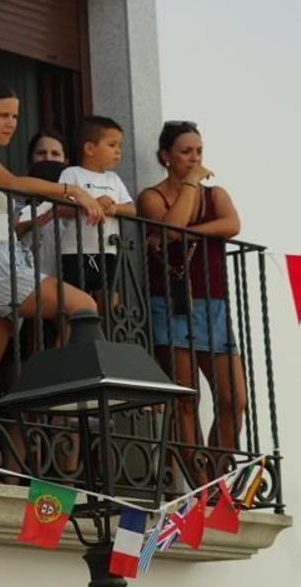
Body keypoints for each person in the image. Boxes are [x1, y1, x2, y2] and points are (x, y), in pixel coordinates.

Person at [0, 81, 102, 465]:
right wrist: (73, 191)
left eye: (16, 116)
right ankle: (50, 383)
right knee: (83, 306)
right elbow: (13, 184)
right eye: (3, 115)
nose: (11, 123)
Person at [136, 120, 245, 477]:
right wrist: (189, 185)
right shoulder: (152, 197)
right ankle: (200, 486)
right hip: (172, 303)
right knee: (187, 401)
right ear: (165, 156)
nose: (195, 158)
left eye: (199, 151)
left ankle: (216, 479)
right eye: (186, 152)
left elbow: (231, 225)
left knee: (234, 400)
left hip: (214, 305)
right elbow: (170, 228)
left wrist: (190, 233)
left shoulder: (217, 196)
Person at [56, 115, 137, 300]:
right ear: (90, 148)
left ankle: (104, 331)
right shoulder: (71, 174)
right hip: (74, 252)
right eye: (112, 145)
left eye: (120, 146)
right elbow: (60, 209)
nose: (118, 151)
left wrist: (113, 208)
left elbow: (132, 209)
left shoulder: (113, 179)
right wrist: (91, 205)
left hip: (107, 251)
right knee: (75, 305)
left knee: (110, 302)